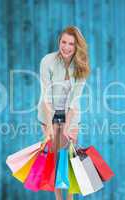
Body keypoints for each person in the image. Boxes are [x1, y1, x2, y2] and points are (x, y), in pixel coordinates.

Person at [37, 26, 90, 200]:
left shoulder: (81, 67)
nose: (66, 47)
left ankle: (70, 198)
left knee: (70, 156)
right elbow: (46, 96)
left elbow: (75, 100)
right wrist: (51, 127)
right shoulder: (48, 61)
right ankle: (59, 198)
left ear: (77, 47)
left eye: (71, 44)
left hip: (71, 115)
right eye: (63, 42)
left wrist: (67, 126)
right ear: (59, 42)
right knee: (54, 157)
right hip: (49, 112)